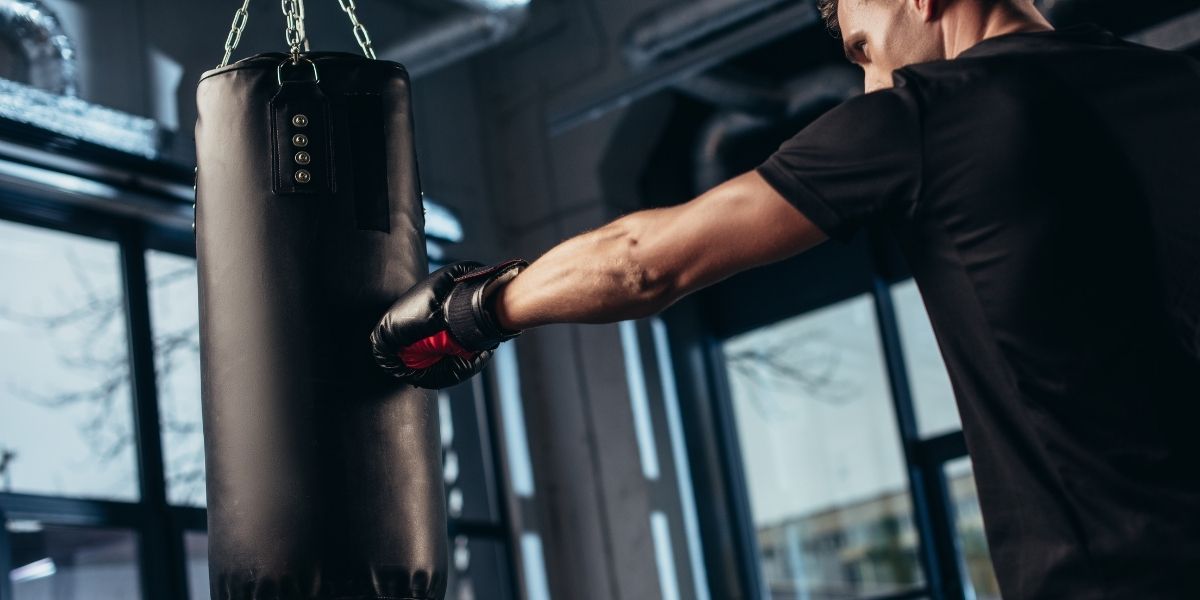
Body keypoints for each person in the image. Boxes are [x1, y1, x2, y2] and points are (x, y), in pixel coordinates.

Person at [370, 0, 1200, 597]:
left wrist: (468, 312)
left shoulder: (926, 114)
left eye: (865, 47)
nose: (873, 84)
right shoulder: (1175, 82)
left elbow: (640, 263)